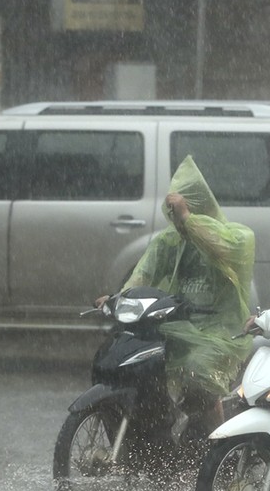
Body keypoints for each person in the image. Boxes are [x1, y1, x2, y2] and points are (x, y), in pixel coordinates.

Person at [97, 155, 254, 435]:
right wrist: (118, 299)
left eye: (182, 209)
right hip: (178, 327)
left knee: (197, 376)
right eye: (173, 212)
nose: (177, 219)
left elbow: (220, 246)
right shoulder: (169, 242)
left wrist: (188, 220)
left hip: (221, 333)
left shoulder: (238, 237)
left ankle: (221, 454)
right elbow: (143, 274)